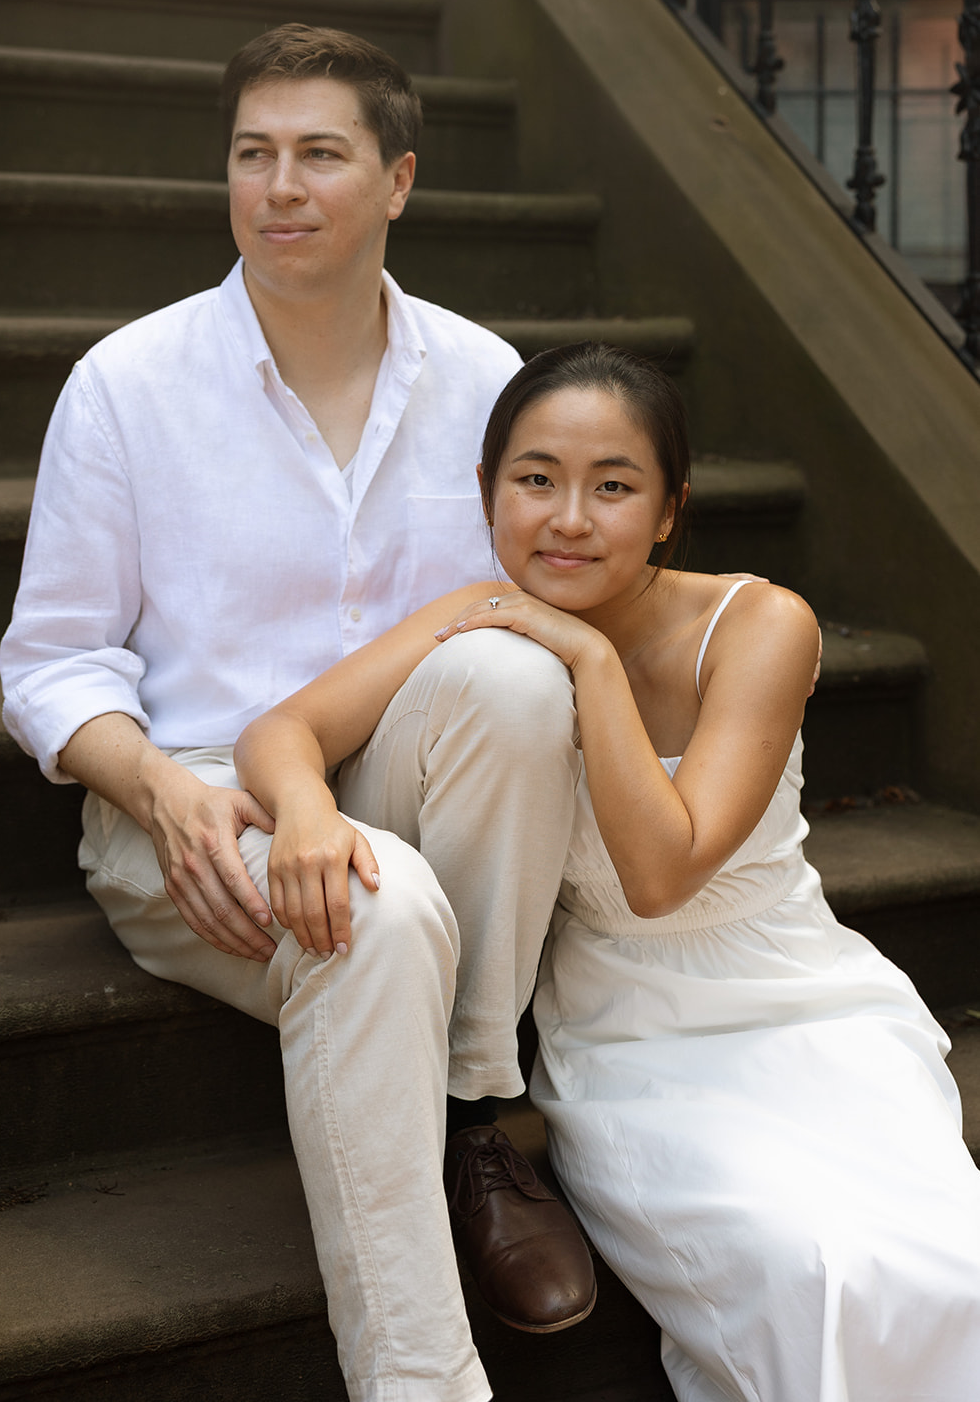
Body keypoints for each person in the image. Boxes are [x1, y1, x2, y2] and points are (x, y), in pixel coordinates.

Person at [0, 24, 595, 1402]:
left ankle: (471, 1108)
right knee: (374, 913)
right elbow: (53, 665)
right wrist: (156, 789)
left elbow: (535, 608)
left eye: (318, 155)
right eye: (252, 155)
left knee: (508, 677)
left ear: (394, 178)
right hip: (193, 807)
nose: (279, 186)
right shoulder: (127, 386)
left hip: (383, 780)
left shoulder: (483, 378)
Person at [235, 342, 980, 1402]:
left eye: (612, 486)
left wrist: (585, 659)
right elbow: (280, 730)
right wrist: (306, 807)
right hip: (626, 1033)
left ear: (668, 509)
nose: (568, 518)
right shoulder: (475, 622)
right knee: (807, 1257)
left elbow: (660, 872)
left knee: (934, 1263)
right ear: (489, 494)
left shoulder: (758, 626)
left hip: (793, 1006)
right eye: (534, 480)